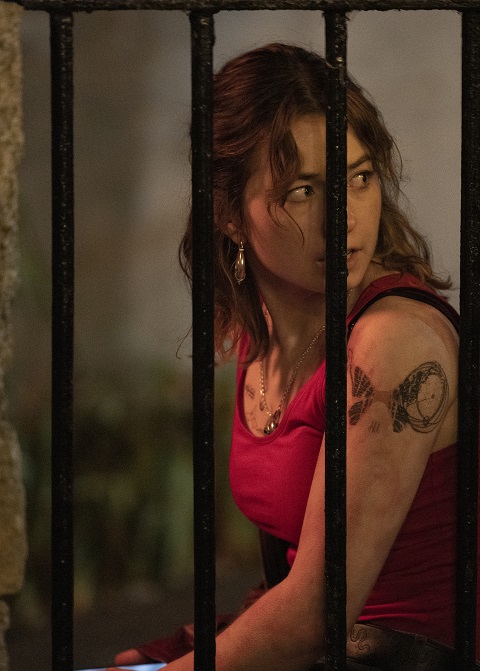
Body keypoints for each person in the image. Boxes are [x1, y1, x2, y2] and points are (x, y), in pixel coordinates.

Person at [111, 43, 478, 670]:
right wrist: (201, 644)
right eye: (303, 190)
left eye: (360, 178)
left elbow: (317, 617)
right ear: (228, 212)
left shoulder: (393, 340)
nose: (345, 218)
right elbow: (293, 577)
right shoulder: (265, 335)